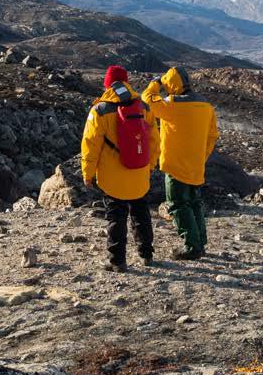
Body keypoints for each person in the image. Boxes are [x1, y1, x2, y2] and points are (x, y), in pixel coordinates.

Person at [81, 65, 160, 272]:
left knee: (116, 217)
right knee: (141, 213)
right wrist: (150, 166)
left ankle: (117, 261)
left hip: (112, 177)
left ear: (107, 84)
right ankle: (147, 254)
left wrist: (88, 173)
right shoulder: (144, 107)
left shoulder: (99, 111)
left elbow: (90, 145)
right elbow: (154, 141)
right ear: (126, 82)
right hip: (139, 172)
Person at [142, 67, 219, 260]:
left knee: (177, 204)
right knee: (194, 203)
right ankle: (200, 243)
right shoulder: (206, 106)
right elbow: (212, 136)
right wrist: (201, 156)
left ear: (172, 84)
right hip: (196, 165)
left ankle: (192, 247)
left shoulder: (172, 104)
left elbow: (147, 100)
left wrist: (155, 84)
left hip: (175, 164)